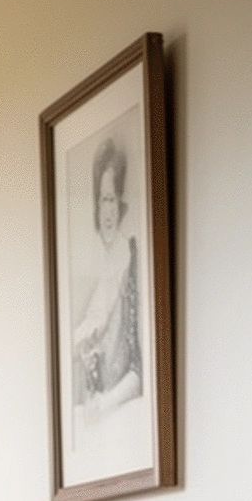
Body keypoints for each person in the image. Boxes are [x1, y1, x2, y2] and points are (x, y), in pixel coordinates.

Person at [72, 136, 142, 422]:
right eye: (103, 200)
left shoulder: (130, 261)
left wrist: (107, 403)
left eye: (113, 200)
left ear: (122, 203)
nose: (108, 212)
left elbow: (137, 364)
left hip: (122, 408)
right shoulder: (92, 265)